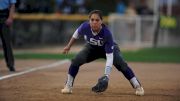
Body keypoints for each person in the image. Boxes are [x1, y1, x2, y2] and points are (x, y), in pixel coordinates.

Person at [61, 10, 144, 96]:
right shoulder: (85, 26)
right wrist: (68, 46)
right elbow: (76, 34)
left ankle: (137, 86)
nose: (94, 22)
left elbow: (109, 58)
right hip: (92, 48)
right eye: (92, 20)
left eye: (97, 20)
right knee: (76, 61)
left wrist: (106, 76)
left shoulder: (106, 33)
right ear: (89, 21)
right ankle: (68, 86)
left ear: (101, 21)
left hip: (107, 49)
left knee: (121, 64)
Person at [0, 0, 16, 71]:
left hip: (4, 15)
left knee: (6, 42)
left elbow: (12, 5)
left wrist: (10, 17)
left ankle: (10, 64)